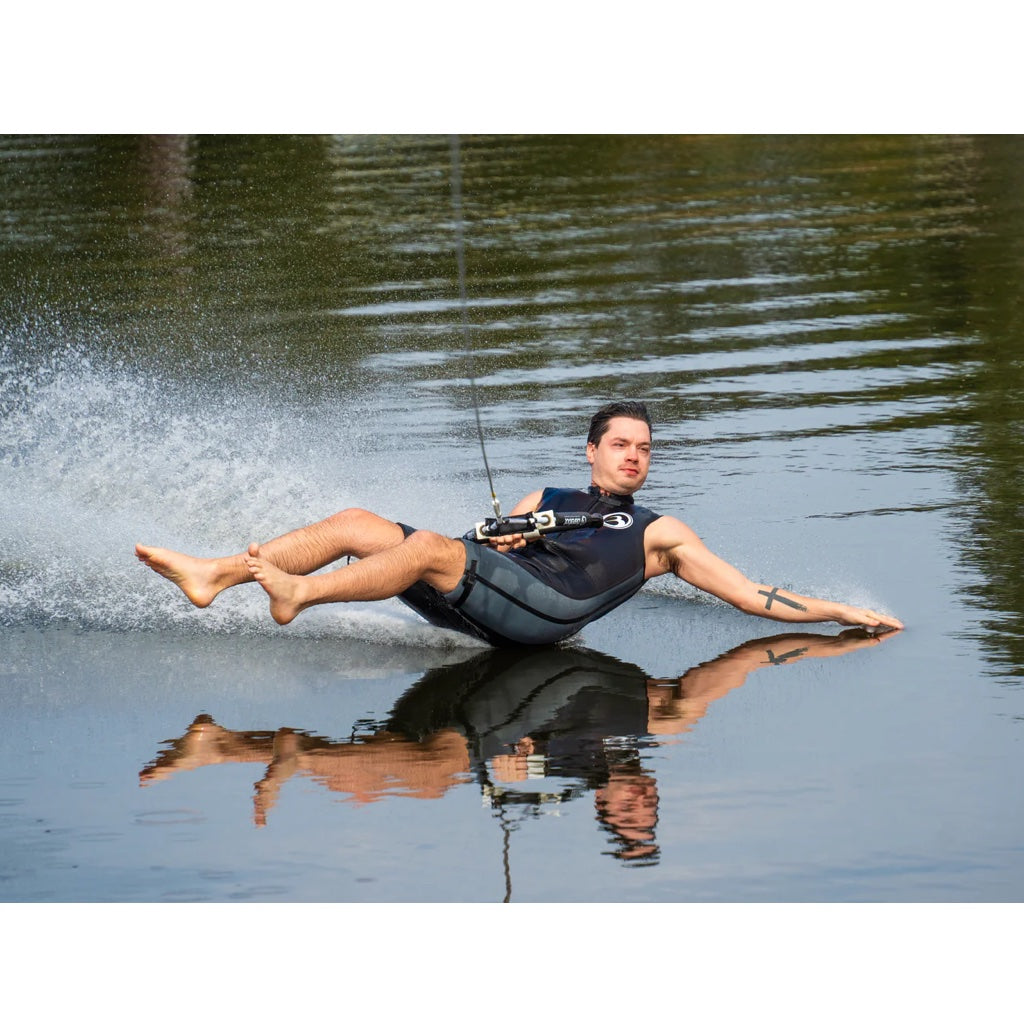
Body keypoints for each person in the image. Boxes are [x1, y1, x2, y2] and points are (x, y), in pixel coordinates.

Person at [135, 400, 904, 645]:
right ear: (593, 450)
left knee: (431, 547)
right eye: (622, 445)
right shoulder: (550, 495)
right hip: (497, 590)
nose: (635, 458)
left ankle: (299, 595)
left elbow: (747, 596)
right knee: (361, 521)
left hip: (548, 617)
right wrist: (496, 533)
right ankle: (213, 574)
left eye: (644, 449)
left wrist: (835, 610)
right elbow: (487, 545)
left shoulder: (660, 532)